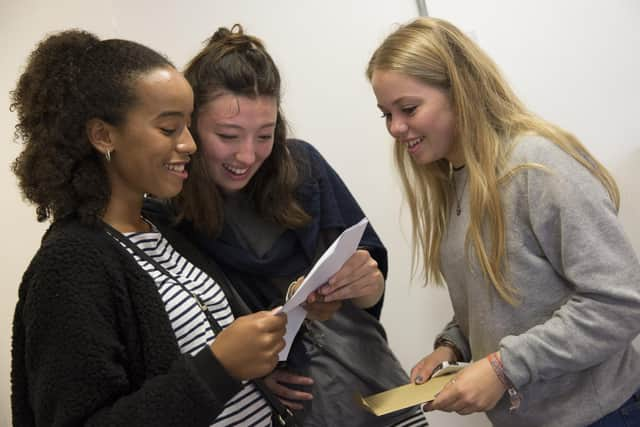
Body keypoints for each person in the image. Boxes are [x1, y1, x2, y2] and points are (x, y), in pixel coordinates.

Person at [10, 29, 295, 427]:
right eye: (168, 128)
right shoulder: (70, 263)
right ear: (103, 135)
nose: (190, 144)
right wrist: (219, 368)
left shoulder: (162, 230)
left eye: (188, 126)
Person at [366, 16, 640, 427]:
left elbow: (620, 303)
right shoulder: (458, 181)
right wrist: (453, 346)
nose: (396, 128)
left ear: (460, 92)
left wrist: (502, 366)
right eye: (385, 114)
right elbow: (502, 298)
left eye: (408, 109)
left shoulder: (537, 167)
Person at [163, 25, 429, 427]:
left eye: (265, 135)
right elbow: (198, 336)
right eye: (228, 135)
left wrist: (366, 283)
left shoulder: (302, 167)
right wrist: (247, 369)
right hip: (295, 405)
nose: (247, 155)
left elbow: (369, 286)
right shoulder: (173, 212)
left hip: (372, 377)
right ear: (191, 125)